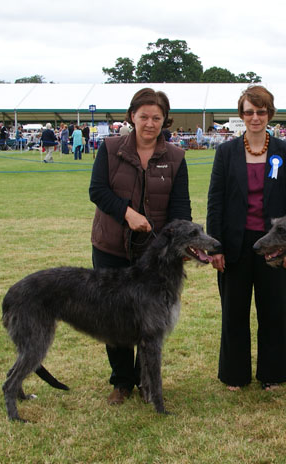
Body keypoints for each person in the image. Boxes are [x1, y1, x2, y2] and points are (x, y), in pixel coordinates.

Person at [89, 87, 191, 405]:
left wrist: (171, 245)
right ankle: (122, 382)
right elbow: (97, 191)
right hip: (111, 246)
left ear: (165, 120)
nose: (149, 123)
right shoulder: (110, 148)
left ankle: (147, 381)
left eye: (156, 117)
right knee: (115, 316)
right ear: (132, 116)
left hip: (155, 255)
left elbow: (180, 210)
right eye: (144, 116)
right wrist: (127, 213)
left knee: (150, 319)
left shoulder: (176, 157)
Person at [207, 85, 286, 392]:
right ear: (241, 115)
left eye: (261, 112)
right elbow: (215, 202)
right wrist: (216, 247)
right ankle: (234, 375)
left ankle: (272, 374)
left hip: (274, 248)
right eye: (249, 112)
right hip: (235, 246)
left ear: (270, 114)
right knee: (233, 313)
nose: (255, 117)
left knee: (274, 312)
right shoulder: (225, 152)